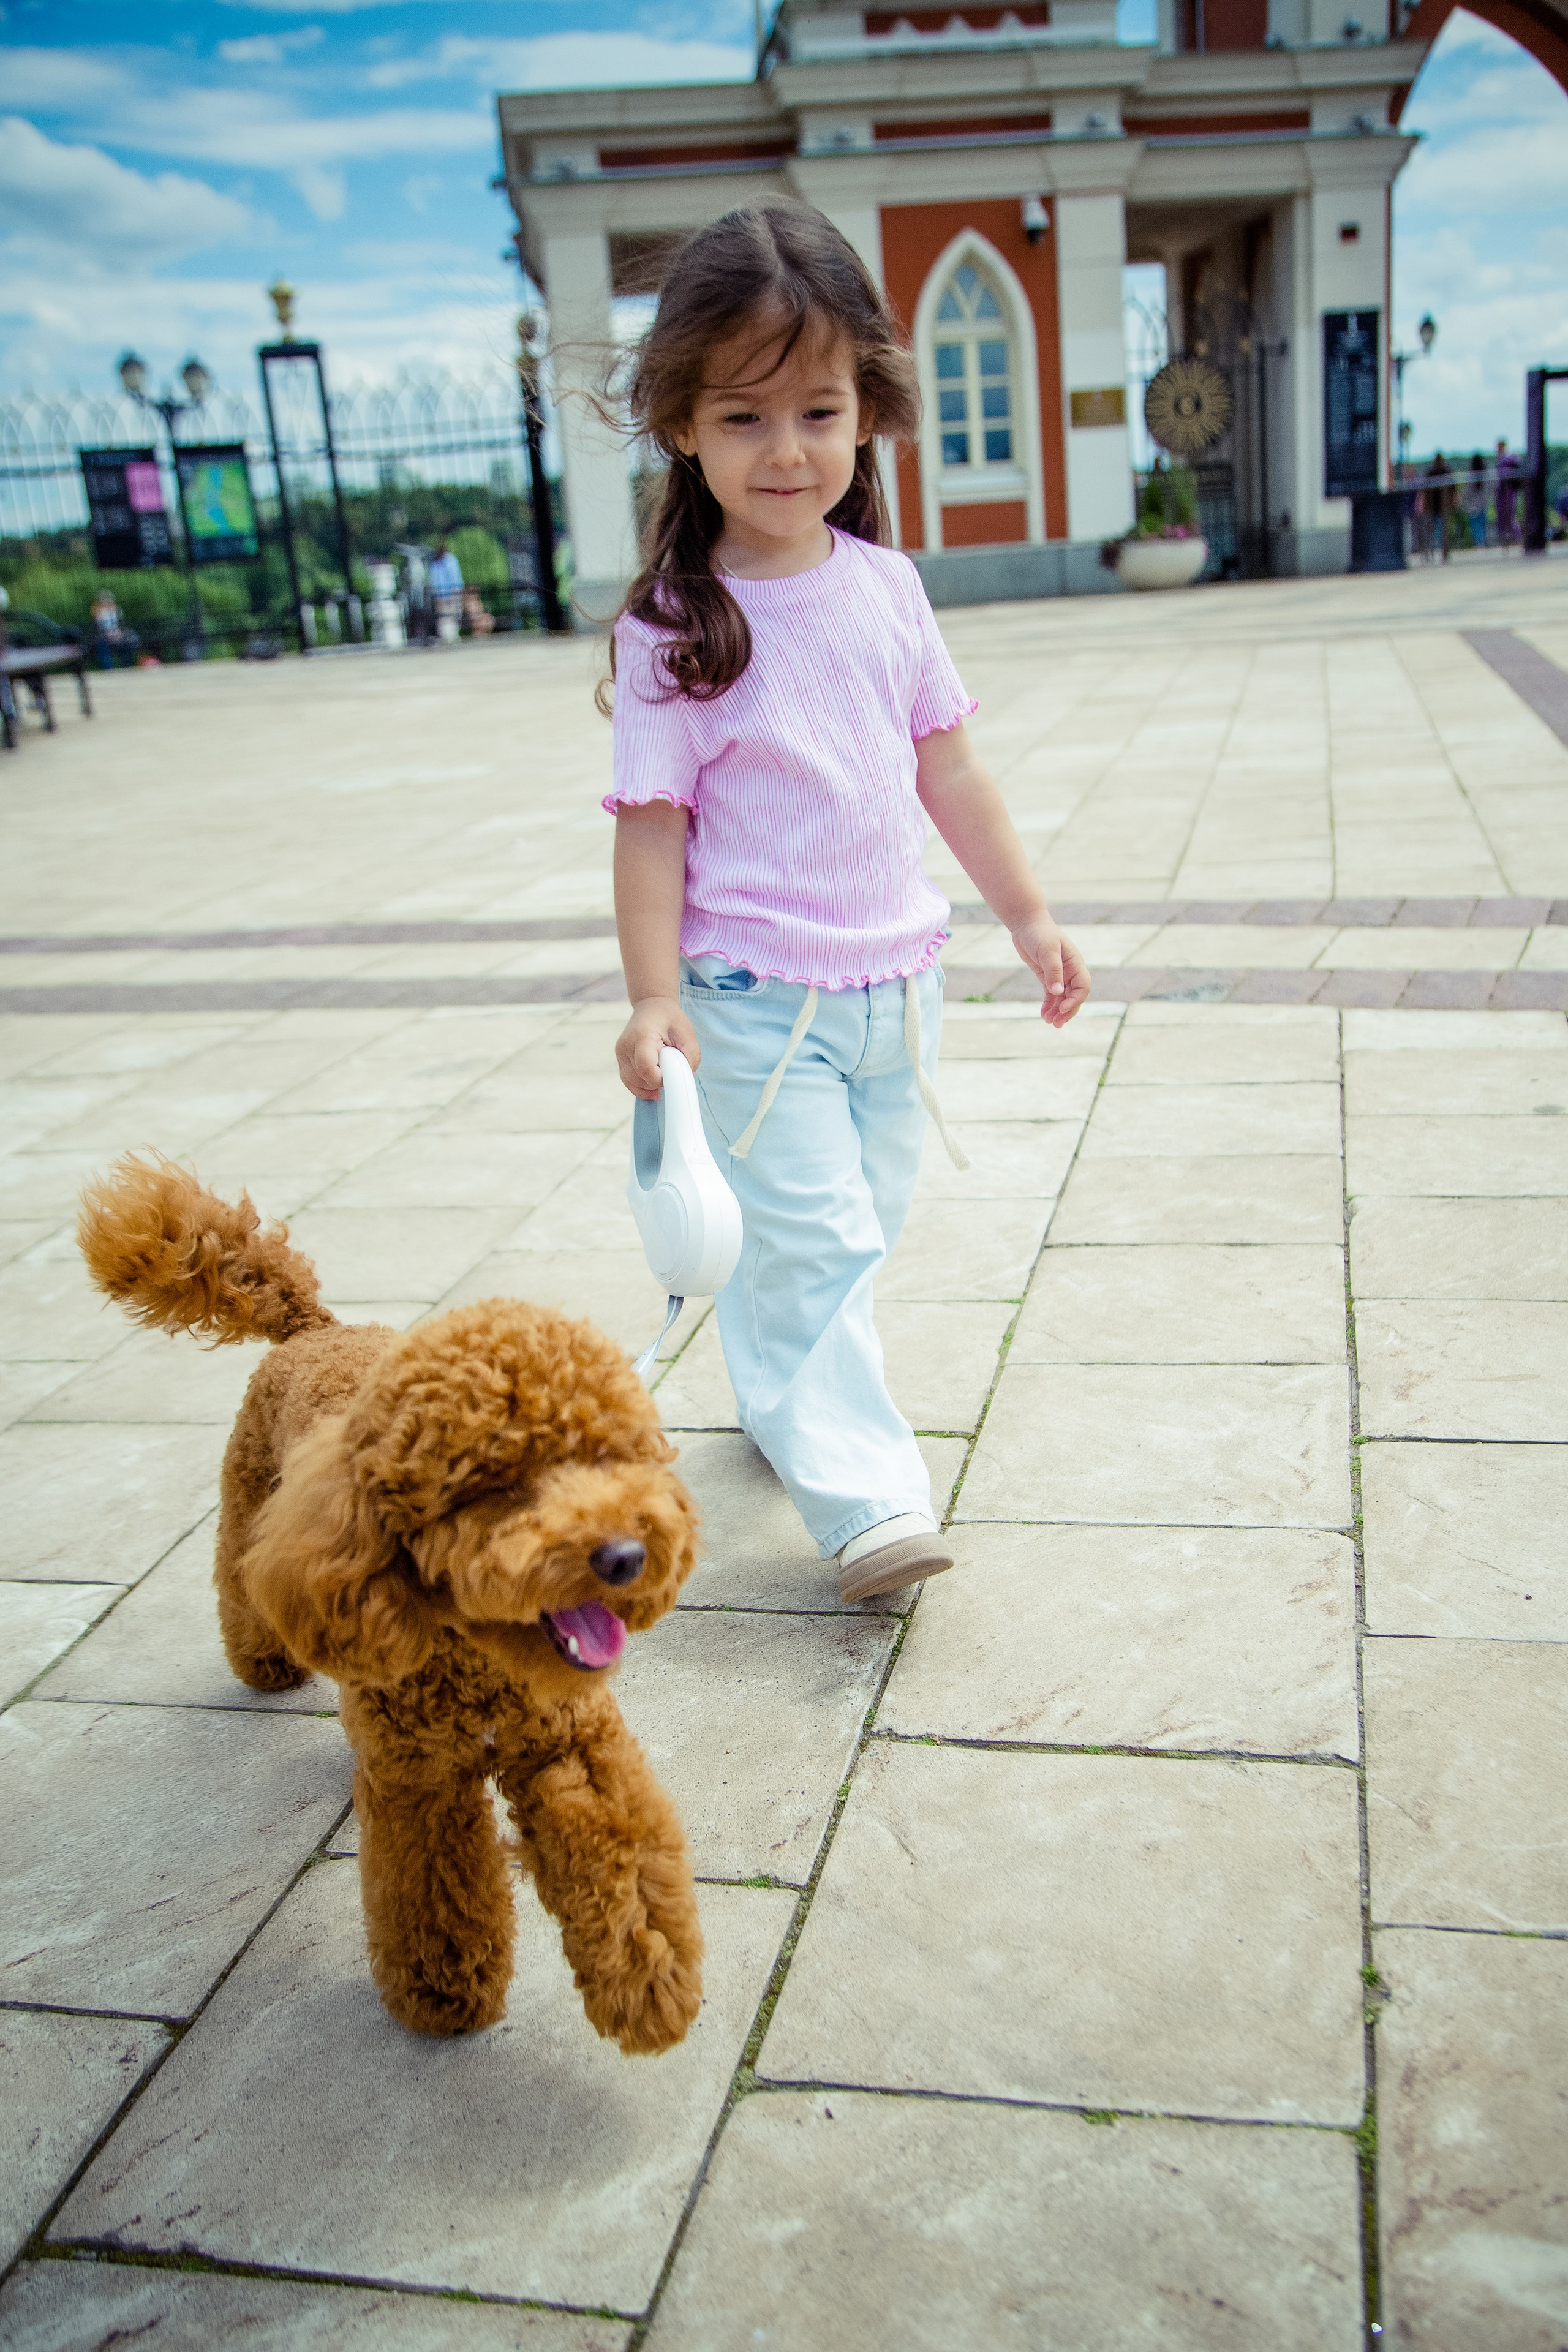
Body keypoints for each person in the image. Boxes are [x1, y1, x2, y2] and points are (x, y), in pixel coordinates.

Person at [602, 198, 1090, 1607]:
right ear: (682, 423)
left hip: (898, 988)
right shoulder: (678, 623)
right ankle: (866, 1497)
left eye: (817, 411)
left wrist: (1027, 912)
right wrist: (653, 998)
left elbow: (951, 770)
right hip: (754, 1001)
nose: (786, 450)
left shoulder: (886, 586)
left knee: (849, 1228)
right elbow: (649, 830)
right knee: (813, 1241)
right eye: (744, 417)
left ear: (864, 411)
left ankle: (769, 1389)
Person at [89, 590, 140, 670]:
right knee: (102, 645)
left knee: (127, 644)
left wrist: (121, 633)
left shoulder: (117, 609)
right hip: (104, 636)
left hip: (118, 635)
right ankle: (108, 669)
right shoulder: (97, 611)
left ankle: (128, 668)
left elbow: (122, 624)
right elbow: (99, 627)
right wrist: (109, 635)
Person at [428, 540, 463, 642]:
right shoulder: (434, 562)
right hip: (440, 596)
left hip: (451, 594)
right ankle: (448, 638)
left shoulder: (449, 559)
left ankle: (452, 638)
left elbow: (455, 578)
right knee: (444, 619)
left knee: (452, 618)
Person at [1495, 439, 1521, 548]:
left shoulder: (1508, 460)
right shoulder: (1501, 460)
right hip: (1502, 493)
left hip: (1508, 493)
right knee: (1503, 517)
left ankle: (1517, 538)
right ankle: (1506, 541)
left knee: (1509, 516)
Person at [1462, 452, 1489, 549]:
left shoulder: (1470, 476)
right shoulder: (1486, 475)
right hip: (1483, 504)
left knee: (1476, 526)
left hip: (1472, 506)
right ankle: (1482, 543)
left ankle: (1479, 543)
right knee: (1482, 525)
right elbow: (1489, 490)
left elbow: (1466, 491)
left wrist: (1464, 503)